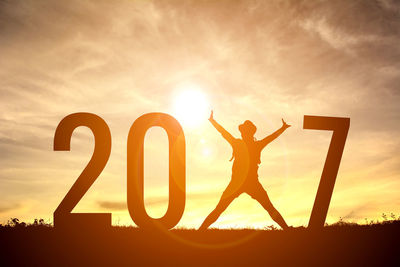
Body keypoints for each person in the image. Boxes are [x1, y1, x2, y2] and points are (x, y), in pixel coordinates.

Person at [199, 111, 290, 230]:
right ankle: (200, 230)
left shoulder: (250, 144)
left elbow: (270, 138)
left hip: (249, 183)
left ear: (249, 132)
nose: (243, 133)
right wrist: (213, 121)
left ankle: (287, 230)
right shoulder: (244, 144)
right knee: (219, 209)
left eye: (245, 131)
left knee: (269, 208)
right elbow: (224, 132)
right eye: (243, 131)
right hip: (240, 183)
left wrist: (282, 128)